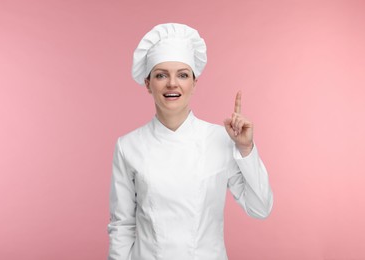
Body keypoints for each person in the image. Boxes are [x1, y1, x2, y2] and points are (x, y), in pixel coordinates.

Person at [108, 23, 273, 260]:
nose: (172, 83)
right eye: (161, 75)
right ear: (148, 84)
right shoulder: (128, 146)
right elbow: (122, 226)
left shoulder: (221, 139)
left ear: (194, 83)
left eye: (183, 75)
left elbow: (260, 209)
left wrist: (245, 148)